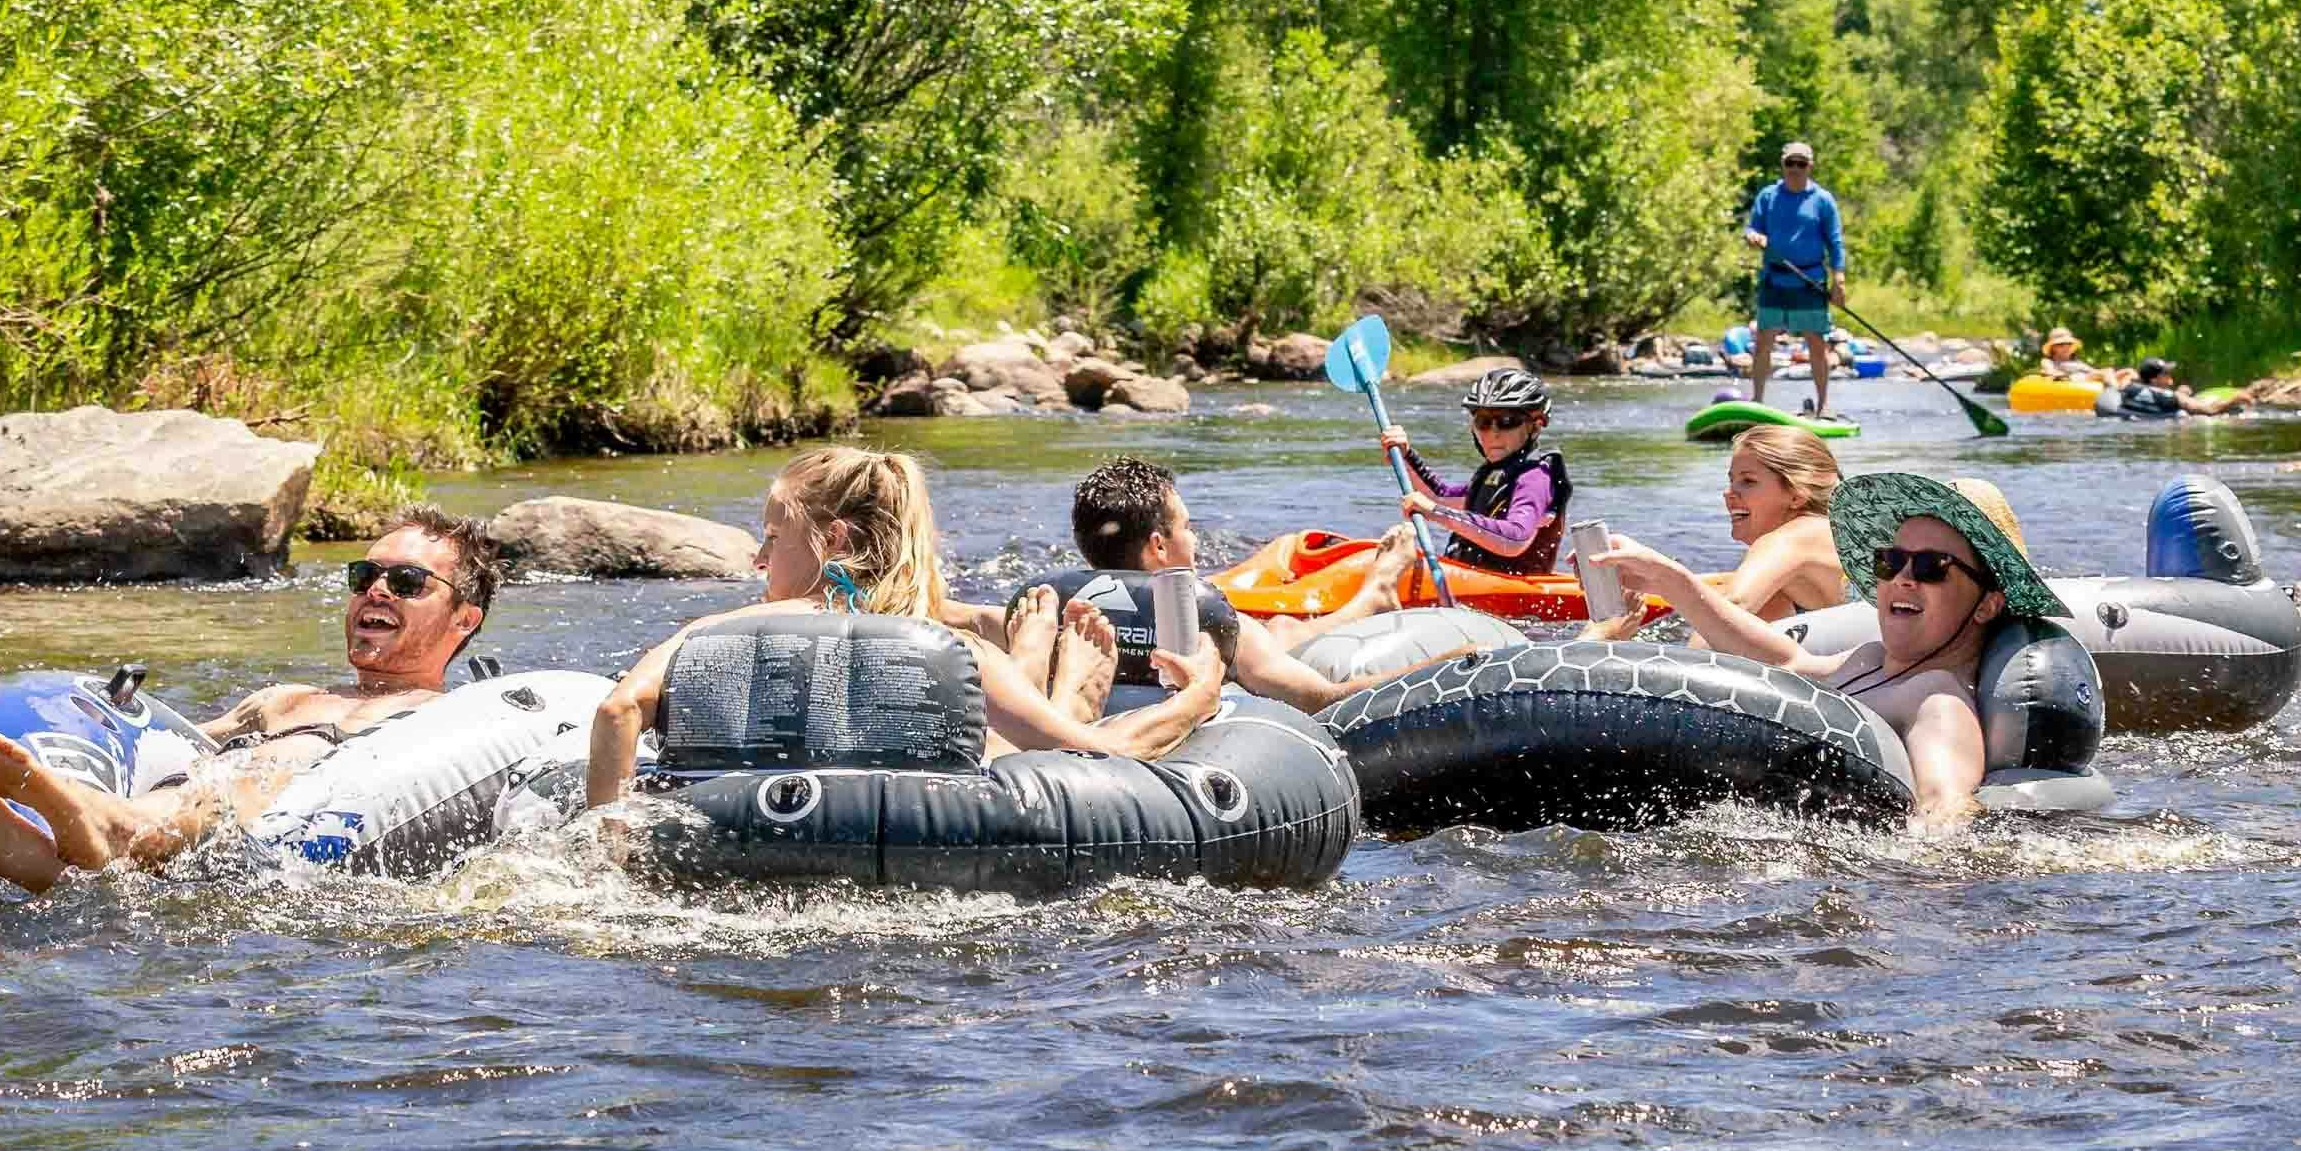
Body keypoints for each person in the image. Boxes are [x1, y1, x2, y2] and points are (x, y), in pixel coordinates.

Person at [583, 447, 1221, 812]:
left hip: (742, 841)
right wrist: (1196, 700)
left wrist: (611, 848)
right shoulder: (942, 653)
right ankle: (1059, 681)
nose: (756, 560)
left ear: (832, 541)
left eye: (772, 540)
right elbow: (1093, 758)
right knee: (1023, 737)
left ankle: (1042, 669)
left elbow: (616, 711)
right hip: (911, 830)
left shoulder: (710, 633)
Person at [0, 507, 499, 892]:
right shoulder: (285, 698)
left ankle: (90, 830)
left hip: (263, 818)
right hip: (194, 805)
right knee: (214, 777)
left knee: (259, 775)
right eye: (364, 575)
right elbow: (172, 746)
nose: (375, 590)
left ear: (464, 617)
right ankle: (53, 837)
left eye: (406, 583)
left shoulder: (452, 723)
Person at [1579, 470, 2062, 829]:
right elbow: (1784, 661)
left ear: (1986, 605)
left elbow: (1944, 802)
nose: (1902, 579)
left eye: (1932, 567)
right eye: (1890, 561)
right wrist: (1673, 581)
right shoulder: (1870, 660)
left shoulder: (1937, 698)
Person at [1013, 457, 1471, 709]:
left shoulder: (1047, 611)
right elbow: (1319, 699)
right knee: (1271, 634)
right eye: (1187, 527)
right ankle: (1375, 594)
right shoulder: (1209, 619)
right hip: (1205, 725)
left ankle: (1371, 598)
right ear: (1158, 546)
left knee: (1279, 631)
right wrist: (1446, 664)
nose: (1194, 538)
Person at [1589, 427, 1845, 634]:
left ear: (1796, 496)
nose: (1729, 493)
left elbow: (1734, 607)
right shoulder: (1824, 533)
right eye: (1731, 480)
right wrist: (1649, 581)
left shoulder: (1791, 537)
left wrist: (1662, 574)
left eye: (1748, 481)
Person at [1377, 367, 1572, 572]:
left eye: (1507, 421)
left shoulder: (1535, 478)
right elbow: (1439, 496)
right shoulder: (1495, 475)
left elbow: (1515, 538)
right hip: (1473, 581)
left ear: (1535, 426)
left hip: (1510, 593)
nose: (1493, 433)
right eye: (1483, 422)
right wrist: (1405, 455)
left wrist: (1435, 512)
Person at [1736, 143, 1847, 413]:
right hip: (1775, 280)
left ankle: (1823, 407)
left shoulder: (1822, 200)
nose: (1795, 169)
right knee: (1763, 340)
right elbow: (1753, 227)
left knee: (1816, 344)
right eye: (1790, 164)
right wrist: (1754, 236)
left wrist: (1839, 279)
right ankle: (1758, 402)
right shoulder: (1768, 196)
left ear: (1810, 166)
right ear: (1783, 165)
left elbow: (1834, 242)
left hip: (1809, 281)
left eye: (1801, 164)